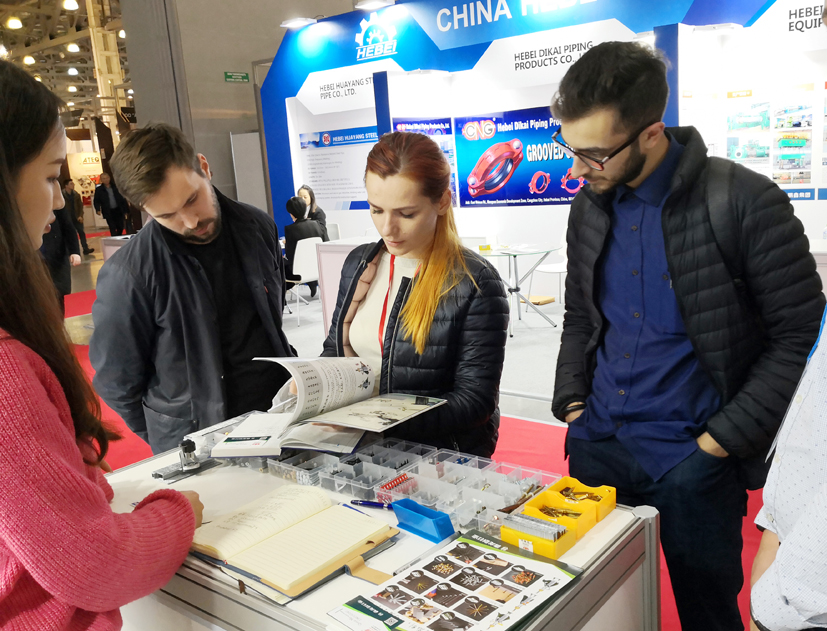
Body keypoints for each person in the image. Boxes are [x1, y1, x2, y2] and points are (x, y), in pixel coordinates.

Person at [550, 41, 824, 631]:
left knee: (708, 614)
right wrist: (573, 404)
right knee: (592, 610)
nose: (576, 168)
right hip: (597, 445)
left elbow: (802, 336)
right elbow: (581, 313)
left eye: (594, 154)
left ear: (651, 133)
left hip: (692, 461)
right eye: (569, 148)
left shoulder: (745, 201)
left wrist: (720, 442)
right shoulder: (588, 206)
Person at [0, 59, 202, 630]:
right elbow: (89, 561)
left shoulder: (254, 230)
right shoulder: (8, 369)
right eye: (50, 177)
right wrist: (175, 511)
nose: (58, 201)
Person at [90, 123, 295, 454]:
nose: (190, 222)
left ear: (204, 167)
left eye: (192, 199)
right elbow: (117, 383)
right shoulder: (128, 275)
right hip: (200, 444)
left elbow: (272, 320)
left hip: (278, 418)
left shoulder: (259, 226)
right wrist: (171, 437)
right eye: (167, 215)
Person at [321, 131, 509, 456]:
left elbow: (474, 402)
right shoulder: (359, 263)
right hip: (357, 450)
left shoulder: (474, 281)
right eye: (376, 210)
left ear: (442, 202)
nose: (387, 229)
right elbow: (334, 350)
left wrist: (375, 421)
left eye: (406, 214)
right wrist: (313, 385)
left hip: (437, 459)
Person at [40, 187, 81, 315]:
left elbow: (68, 227)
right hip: (33, 258)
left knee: (58, 295)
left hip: (55, 255)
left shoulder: (55, 202)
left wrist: (74, 251)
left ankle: (57, 324)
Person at [284, 196, 327, 298]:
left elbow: (290, 256)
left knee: (279, 266)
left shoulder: (290, 229)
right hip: (318, 268)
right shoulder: (317, 224)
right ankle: (312, 282)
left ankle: (281, 299)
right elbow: (326, 243)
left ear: (291, 213)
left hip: (299, 272)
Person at [62, 178, 93, 255]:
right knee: (70, 235)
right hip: (67, 217)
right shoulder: (62, 195)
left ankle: (85, 248)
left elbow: (80, 206)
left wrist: (80, 215)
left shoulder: (76, 194)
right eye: (71, 184)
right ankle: (72, 251)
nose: (73, 185)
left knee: (81, 232)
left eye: (73, 184)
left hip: (76, 216)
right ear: (66, 186)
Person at [93, 171, 128, 236]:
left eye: (107, 178)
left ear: (109, 178)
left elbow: (122, 199)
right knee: (112, 226)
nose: (106, 180)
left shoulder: (116, 187)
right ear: (101, 180)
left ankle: (118, 235)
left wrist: (125, 210)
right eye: (104, 178)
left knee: (120, 226)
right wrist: (97, 209)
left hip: (118, 210)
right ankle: (114, 237)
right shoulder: (99, 190)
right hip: (108, 211)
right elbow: (96, 200)